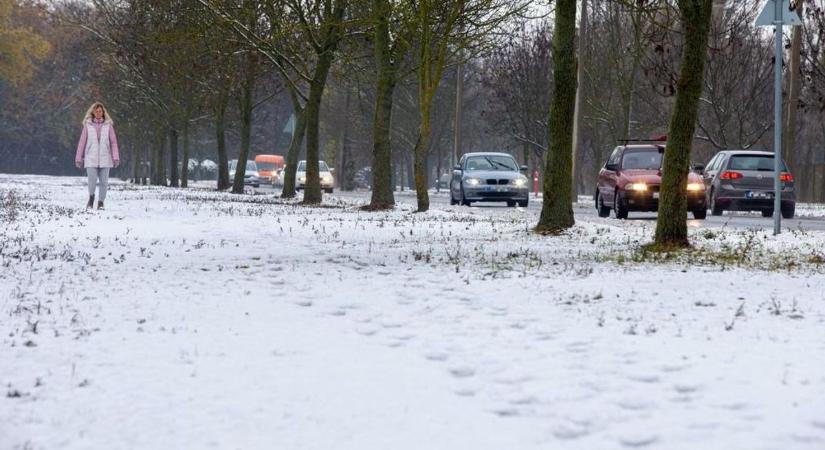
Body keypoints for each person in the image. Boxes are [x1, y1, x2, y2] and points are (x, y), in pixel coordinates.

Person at [75, 102, 120, 210]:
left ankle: (100, 202)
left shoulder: (108, 126)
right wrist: (78, 158)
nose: (98, 113)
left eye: (100, 111)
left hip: (105, 158)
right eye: (96, 111)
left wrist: (115, 157)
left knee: (104, 182)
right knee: (92, 181)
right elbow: (82, 142)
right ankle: (91, 198)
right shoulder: (87, 125)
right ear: (93, 112)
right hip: (91, 157)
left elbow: (113, 142)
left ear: (103, 112)